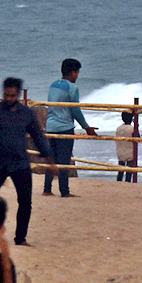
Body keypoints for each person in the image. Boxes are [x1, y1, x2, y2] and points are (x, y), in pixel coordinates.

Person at [0, 77, 53, 246]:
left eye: (12, 95)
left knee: (25, 202)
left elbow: (38, 137)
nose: (9, 99)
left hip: (20, 164)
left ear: (18, 94)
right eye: (7, 95)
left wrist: (49, 159)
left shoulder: (27, 114)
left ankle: (20, 238)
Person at [43, 58, 97, 197]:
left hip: (50, 126)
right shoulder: (72, 88)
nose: (77, 76)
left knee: (52, 159)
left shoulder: (53, 85)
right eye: (77, 72)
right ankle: (64, 191)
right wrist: (86, 127)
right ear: (73, 72)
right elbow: (75, 110)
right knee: (64, 160)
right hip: (64, 126)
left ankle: (47, 189)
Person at [115, 111, 135, 182]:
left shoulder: (119, 128)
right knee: (129, 170)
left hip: (120, 150)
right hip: (130, 150)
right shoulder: (132, 129)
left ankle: (119, 182)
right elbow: (137, 138)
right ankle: (127, 182)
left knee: (120, 170)